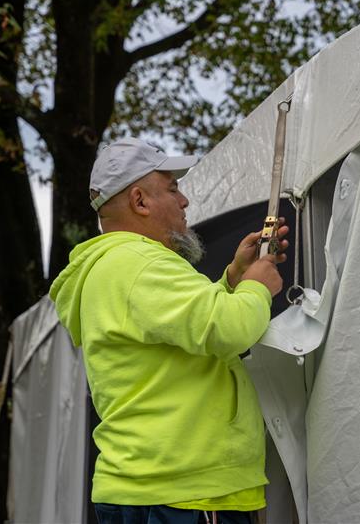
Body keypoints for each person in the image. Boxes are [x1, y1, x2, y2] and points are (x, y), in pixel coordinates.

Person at [49, 137, 288, 524]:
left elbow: (184, 334)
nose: (184, 201)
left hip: (147, 487)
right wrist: (258, 286)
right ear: (140, 201)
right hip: (186, 490)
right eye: (173, 189)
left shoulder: (112, 268)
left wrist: (233, 280)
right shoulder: (141, 263)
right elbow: (228, 329)